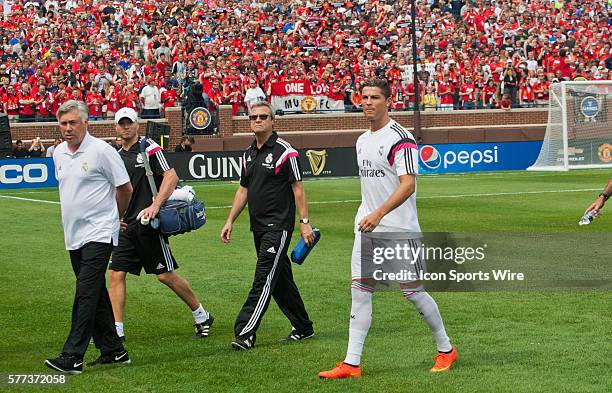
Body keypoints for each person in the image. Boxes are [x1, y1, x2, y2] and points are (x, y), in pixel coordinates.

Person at [318, 78, 457, 379]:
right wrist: (369, 216)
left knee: (413, 292)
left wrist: (379, 213)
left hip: (398, 229)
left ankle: (446, 349)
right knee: (360, 289)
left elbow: (408, 185)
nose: (368, 102)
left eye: (375, 97)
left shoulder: (401, 138)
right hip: (367, 228)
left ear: (388, 101)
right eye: (364, 97)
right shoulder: (362, 140)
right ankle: (351, 363)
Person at [108, 107, 214, 341]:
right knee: (116, 274)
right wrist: (115, 219)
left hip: (149, 225)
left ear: (137, 124)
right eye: (121, 123)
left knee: (165, 275)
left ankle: (201, 314)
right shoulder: (114, 156)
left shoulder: (149, 148)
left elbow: (171, 176)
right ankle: (117, 330)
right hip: (126, 227)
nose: (125, 127)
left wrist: (155, 205)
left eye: (129, 123)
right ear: (115, 127)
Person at [45, 100, 133, 374]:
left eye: (73, 122)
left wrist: (114, 218)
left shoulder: (102, 151)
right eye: (63, 123)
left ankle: (72, 356)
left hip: (99, 232)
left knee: (85, 292)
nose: (68, 128)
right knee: (94, 294)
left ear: (86, 123)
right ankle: (114, 351)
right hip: (74, 234)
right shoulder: (58, 152)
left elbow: (125, 188)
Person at [220, 101, 314, 350]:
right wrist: (230, 220)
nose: (258, 120)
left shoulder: (285, 151)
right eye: (253, 117)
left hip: (278, 227)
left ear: (273, 121)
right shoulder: (248, 154)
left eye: (263, 116)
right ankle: (303, 327)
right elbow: (243, 189)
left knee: (263, 278)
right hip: (258, 227)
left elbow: (298, 188)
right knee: (280, 280)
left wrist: (304, 223)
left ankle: (245, 332)